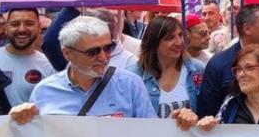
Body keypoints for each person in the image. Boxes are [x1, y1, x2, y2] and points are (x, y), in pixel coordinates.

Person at [9, 16, 156, 121]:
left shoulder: (130, 85)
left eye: (108, 48)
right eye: (92, 52)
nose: (103, 57)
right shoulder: (44, 91)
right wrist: (21, 118)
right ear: (67, 53)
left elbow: (150, 135)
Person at [130, 16, 205, 119]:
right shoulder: (134, 75)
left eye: (180, 35)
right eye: (170, 38)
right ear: (154, 42)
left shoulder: (196, 69)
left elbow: (205, 111)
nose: (179, 42)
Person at [0, 9, 55, 106]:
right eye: (15, 24)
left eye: (29, 24)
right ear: (6, 28)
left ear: (39, 27)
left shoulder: (49, 65)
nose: (21, 29)